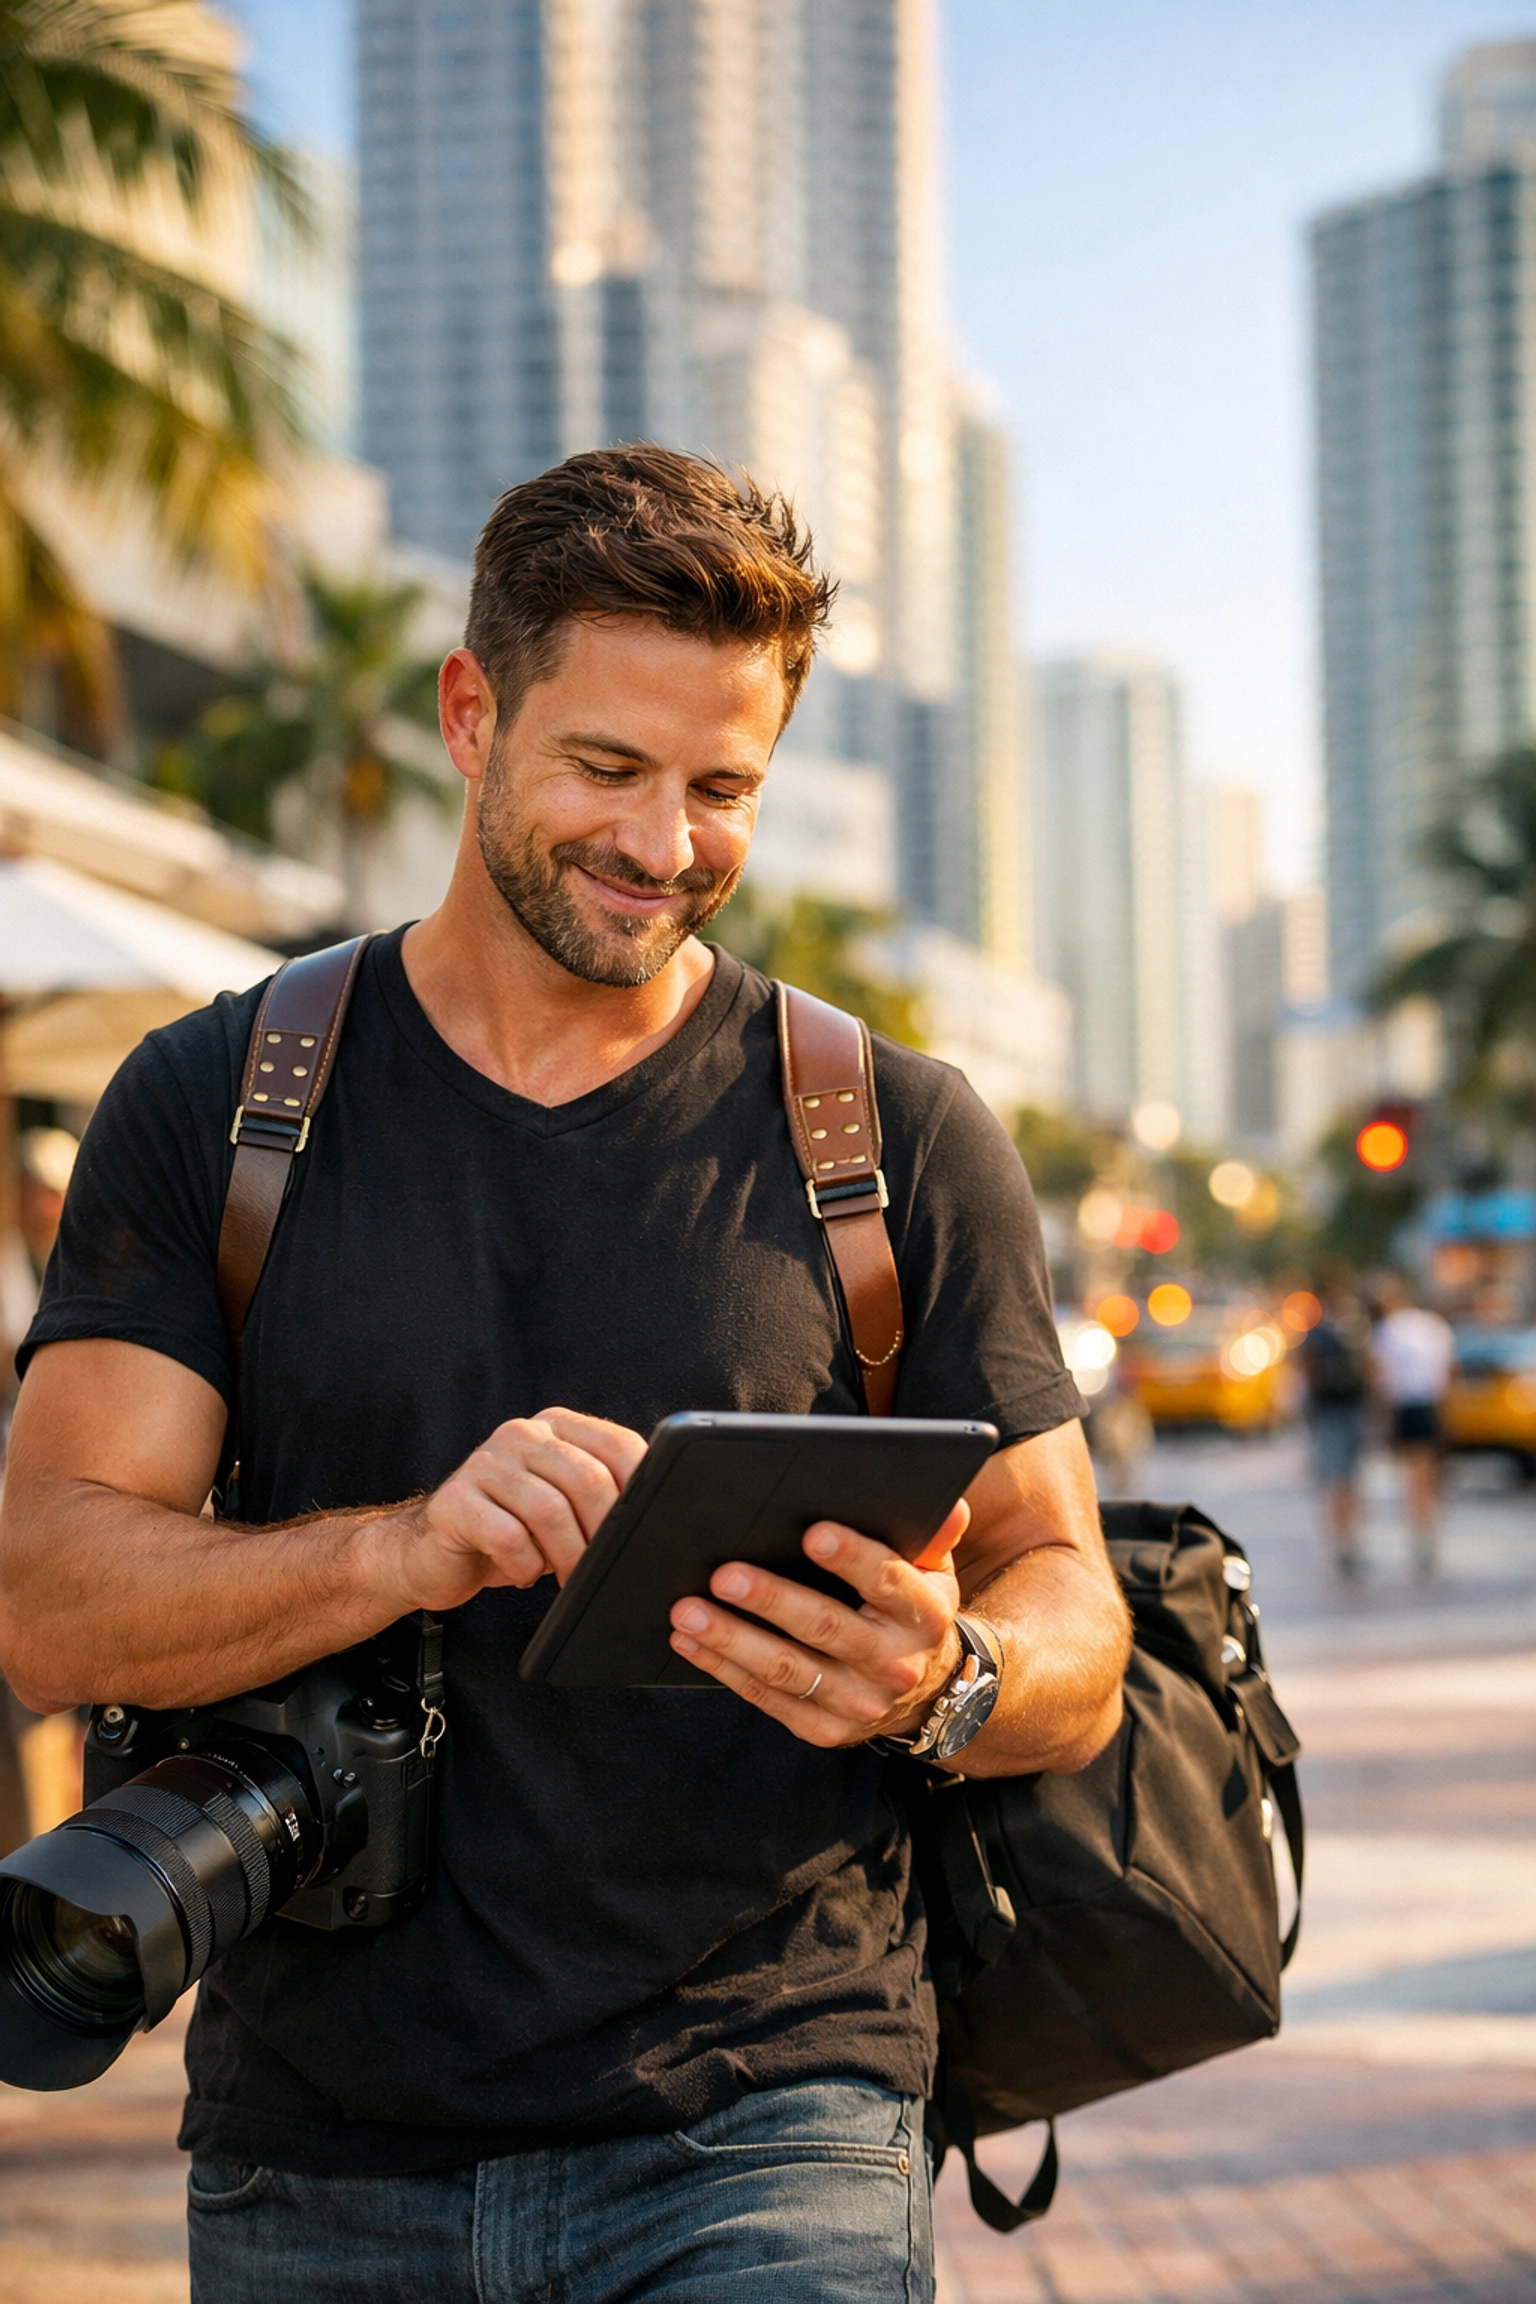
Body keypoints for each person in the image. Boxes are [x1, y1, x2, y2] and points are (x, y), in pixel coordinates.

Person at [0, 449, 1130, 2304]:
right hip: (319, 2146)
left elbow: (1067, 1606)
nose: (665, 843)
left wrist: (947, 1670)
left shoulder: (894, 1136)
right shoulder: (215, 1106)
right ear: (470, 710)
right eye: (608, 767)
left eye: (721, 787)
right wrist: (395, 1549)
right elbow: (48, 1600)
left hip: (776, 2109)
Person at [1370, 1278, 1455, 1577]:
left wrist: (1381, 1420)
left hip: (1405, 1408)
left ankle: (1420, 1531)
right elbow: (1444, 1375)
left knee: (1412, 1474)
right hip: (1428, 1405)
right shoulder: (1433, 1326)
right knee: (1428, 1473)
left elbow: (1381, 1380)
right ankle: (1427, 1529)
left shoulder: (1385, 1331)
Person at [1299, 1291, 1369, 1578]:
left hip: (1329, 1412)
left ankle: (1340, 1540)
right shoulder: (1356, 1332)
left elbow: (1305, 1371)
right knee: (1349, 1479)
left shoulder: (1317, 1336)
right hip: (1352, 1410)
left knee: (1333, 1479)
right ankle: (1349, 1540)